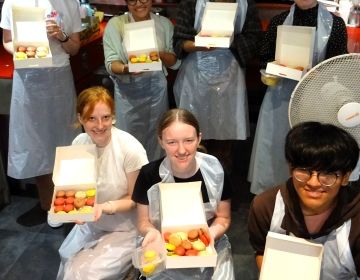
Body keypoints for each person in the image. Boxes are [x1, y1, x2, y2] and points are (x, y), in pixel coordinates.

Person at [248, 0, 348, 195]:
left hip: (316, 98)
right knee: (276, 146)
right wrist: (275, 67)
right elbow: (265, 55)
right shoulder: (278, 20)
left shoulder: (335, 24)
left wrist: (318, 73)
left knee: (311, 148)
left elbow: (339, 63)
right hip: (280, 95)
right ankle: (273, 193)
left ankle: (310, 193)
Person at [0, 0, 81, 226]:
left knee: (64, 139)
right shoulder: (12, 3)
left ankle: (69, 203)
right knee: (35, 141)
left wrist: (61, 36)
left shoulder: (69, 3)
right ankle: (46, 203)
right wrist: (22, 49)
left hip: (59, 75)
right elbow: (7, 40)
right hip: (27, 77)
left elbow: (75, 47)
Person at [57, 86, 148, 279]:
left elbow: (136, 199)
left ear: (113, 117)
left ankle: (130, 271)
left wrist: (103, 207)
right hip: (92, 223)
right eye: (92, 118)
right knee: (67, 258)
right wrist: (73, 207)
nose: (100, 125)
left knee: (80, 272)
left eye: (106, 117)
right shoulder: (79, 143)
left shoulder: (130, 149)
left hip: (125, 228)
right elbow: (75, 188)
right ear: (80, 118)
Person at [248, 122, 360, 279]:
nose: (313, 183)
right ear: (290, 169)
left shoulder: (357, 219)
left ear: (345, 178)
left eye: (327, 174)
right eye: (304, 171)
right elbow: (261, 251)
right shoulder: (266, 206)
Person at [132, 108, 235, 279]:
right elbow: (143, 221)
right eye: (172, 142)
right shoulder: (148, 175)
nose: (181, 150)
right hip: (162, 246)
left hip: (209, 244)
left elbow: (223, 217)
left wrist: (210, 234)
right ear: (161, 141)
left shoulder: (215, 170)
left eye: (188, 140)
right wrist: (152, 233)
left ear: (199, 138)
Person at [173, 0, 261, 173]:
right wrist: (197, 44)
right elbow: (179, 40)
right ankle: (190, 175)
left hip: (230, 78)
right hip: (195, 78)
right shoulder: (190, 2)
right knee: (192, 130)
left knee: (225, 134)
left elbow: (254, 38)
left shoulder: (246, 4)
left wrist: (228, 40)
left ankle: (222, 180)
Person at [103, 0, 178, 162]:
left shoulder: (164, 24)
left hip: (156, 91)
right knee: (128, 140)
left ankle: (154, 176)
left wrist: (158, 53)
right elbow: (111, 63)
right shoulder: (116, 25)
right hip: (127, 93)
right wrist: (126, 69)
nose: (139, 3)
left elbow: (173, 60)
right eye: (132, 0)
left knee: (157, 135)